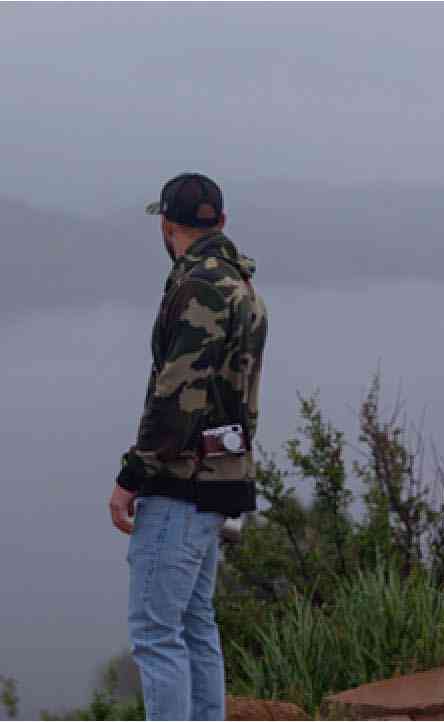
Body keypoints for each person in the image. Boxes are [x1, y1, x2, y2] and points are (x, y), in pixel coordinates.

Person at [108, 173, 268, 721]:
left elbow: (177, 396)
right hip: (223, 476)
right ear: (220, 222)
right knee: (196, 622)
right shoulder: (240, 284)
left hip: (184, 483)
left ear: (167, 225)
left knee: (156, 633)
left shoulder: (199, 287)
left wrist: (131, 477)